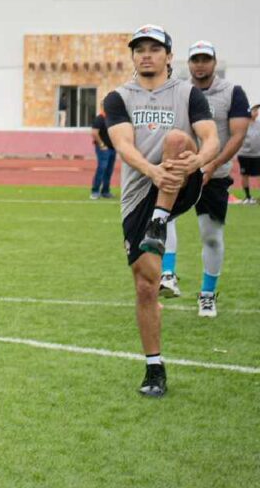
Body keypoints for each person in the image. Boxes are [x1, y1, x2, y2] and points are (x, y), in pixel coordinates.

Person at [104, 24, 218, 398]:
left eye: (155, 48)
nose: (147, 54)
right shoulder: (119, 97)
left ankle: (160, 220)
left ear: (169, 56)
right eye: (140, 49)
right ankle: (154, 366)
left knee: (175, 138)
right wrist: (152, 171)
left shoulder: (187, 93)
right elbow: (123, 144)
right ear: (133, 56)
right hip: (139, 191)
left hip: (182, 181)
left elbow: (210, 138)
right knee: (145, 284)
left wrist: (196, 163)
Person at [156, 41, 250, 316]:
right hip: (183, 171)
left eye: (205, 59)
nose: (200, 64)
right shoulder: (177, 90)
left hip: (215, 175)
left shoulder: (232, 92)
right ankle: (168, 274)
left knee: (211, 236)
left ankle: (207, 294)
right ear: (188, 63)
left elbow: (238, 135)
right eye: (195, 59)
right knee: (164, 217)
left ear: (214, 62)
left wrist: (212, 165)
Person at [90, 109, 116, 199]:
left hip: (112, 148)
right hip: (103, 148)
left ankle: (105, 191)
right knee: (102, 169)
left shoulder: (112, 118)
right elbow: (94, 133)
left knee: (109, 170)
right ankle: (95, 191)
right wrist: (101, 144)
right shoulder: (100, 118)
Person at [238, 103, 260, 204]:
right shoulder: (243, 124)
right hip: (244, 154)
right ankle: (248, 197)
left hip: (257, 155)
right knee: (245, 175)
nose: (257, 112)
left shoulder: (259, 124)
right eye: (254, 110)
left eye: (257, 110)